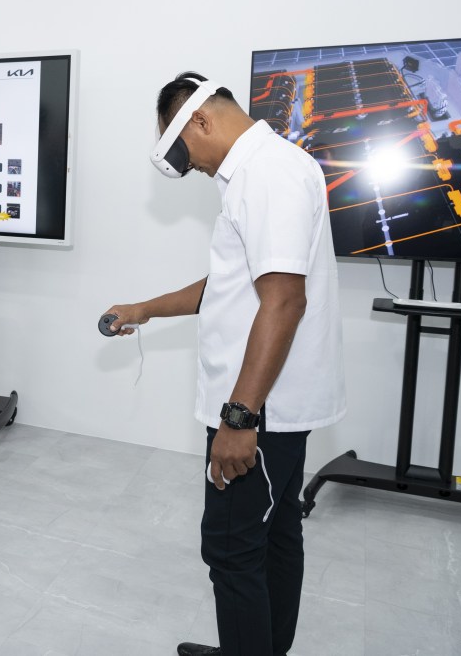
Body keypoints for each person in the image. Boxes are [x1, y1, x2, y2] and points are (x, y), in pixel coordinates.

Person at [103, 72, 346, 656]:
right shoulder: (264, 170)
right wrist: (145, 309)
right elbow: (234, 285)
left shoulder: (266, 175)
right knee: (275, 533)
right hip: (270, 405)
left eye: (188, 155)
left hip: (259, 409)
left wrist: (239, 419)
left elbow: (284, 301)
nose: (195, 169)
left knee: (232, 549)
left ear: (201, 119)